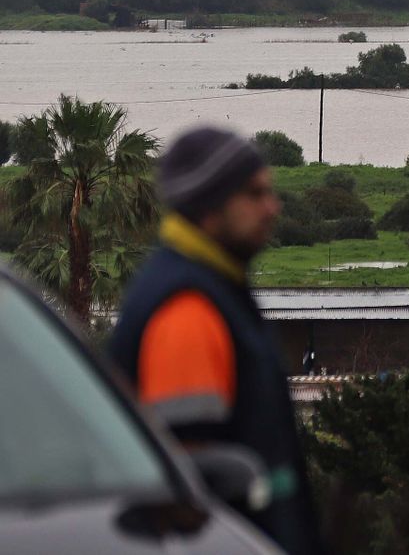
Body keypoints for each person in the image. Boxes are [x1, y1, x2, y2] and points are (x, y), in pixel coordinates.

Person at [109, 127, 321, 554]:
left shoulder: (216, 288)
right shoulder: (187, 311)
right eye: (254, 194)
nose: (272, 207)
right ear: (209, 205)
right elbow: (190, 490)